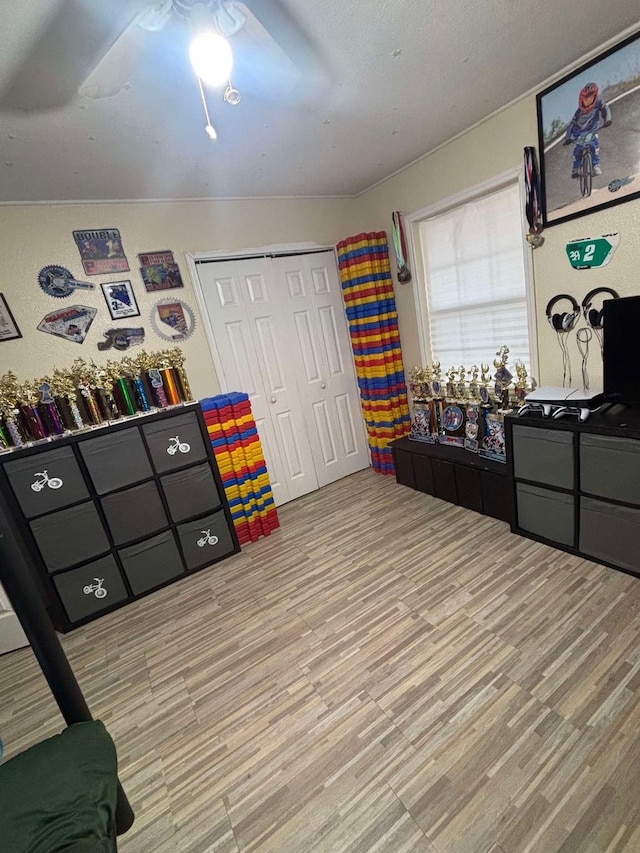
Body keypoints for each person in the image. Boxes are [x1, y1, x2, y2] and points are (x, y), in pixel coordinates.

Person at [563, 82, 612, 178]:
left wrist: (607, 119)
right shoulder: (578, 112)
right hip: (579, 133)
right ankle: (576, 168)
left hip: (592, 130)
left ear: (595, 96)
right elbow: (571, 125)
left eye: (591, 97)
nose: (588, 100)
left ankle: (596, 165)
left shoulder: (598, 103)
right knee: (578, 150)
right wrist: (568, 137)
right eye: (586, 99)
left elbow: (605, 108)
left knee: (594, 145)